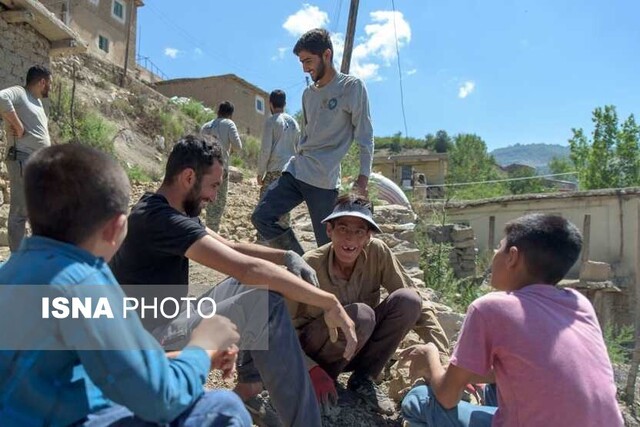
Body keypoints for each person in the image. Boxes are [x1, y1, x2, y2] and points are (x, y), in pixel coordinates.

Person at [109, 135, 358, 427]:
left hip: (169, 319)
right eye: (213, 185)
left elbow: (230, 246)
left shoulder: (170, 209)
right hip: (150, 342)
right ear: (189, 177)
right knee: (264, 301)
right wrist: (329, 301)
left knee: (263, 283)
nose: (215, 197)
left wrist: (286, 256)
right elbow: (247, 269)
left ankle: (250, 388)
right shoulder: (157, 219)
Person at [0, 144, 251, 426]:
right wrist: (203, 344)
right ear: (116, 228)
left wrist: (192, 358)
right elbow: (161, 399)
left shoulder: (10, 271)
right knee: (224, 407)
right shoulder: (86, 285)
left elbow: (118, 370)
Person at [399, 213, 624, 427]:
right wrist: (458, 371)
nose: (494, 254)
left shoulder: (489, 307)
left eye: (499, 247)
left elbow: (447, 397)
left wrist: (430, 357)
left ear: (513, 256)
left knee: (418, 399)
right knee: (495, 388)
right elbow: (528, 370)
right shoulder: (579, 304)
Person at [288, 193, 449, 415]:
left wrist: (443, 356)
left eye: (359, 231)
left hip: (359, 347)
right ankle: (326, 378)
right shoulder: (309, 265)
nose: (350, 240)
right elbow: (280, 330)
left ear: (368, 237)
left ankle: (364, 378)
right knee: (361, 314)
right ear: (329, 231)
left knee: (408, 301)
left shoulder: (378, 253)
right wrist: (310, 369)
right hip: (317, 352)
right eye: (343, 229)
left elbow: (417, 301)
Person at [252, 28, 374, 254]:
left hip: (323, 181)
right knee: (261, 216)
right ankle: (301, 263)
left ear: (326, 55)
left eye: (308, 61)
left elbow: (365, 136)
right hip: (296, 171)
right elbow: (307, 134)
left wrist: (363, 180)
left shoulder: (351, 87)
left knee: (327, 248)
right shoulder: (308, 94)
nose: (305, 68)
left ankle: (328, 283)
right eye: (301, 62)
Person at [0, 65, 52, 251]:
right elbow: (1, 97)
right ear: (42, 82)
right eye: (49, 83)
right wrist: (18, 126)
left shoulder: (36, 102)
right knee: (19, 213)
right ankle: (17, 261)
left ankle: (28, 253)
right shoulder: (20, 92)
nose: (50, 88)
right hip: (22, 158)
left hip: (36, 162)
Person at [256, 89, 300, 239]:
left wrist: (260, 172)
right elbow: (300, 148)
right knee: (283, 214)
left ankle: (263, 247)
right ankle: (283, 250)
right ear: (285, 104)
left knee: (263, 212)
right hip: (289, 173)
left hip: (273, 171)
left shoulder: (271, 121)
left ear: (270, 104)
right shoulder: (294, 123)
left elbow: (265, 150)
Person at [201, 101, 243, 232]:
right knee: (218, 201)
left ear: (218, 111)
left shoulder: (205, 126)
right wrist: (228, 150)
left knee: (204, 196)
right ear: (230, 114)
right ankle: (212, 231)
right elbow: (238, 145)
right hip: (220, 168)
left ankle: (202, 228)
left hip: (203, 167)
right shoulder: (229, 124)